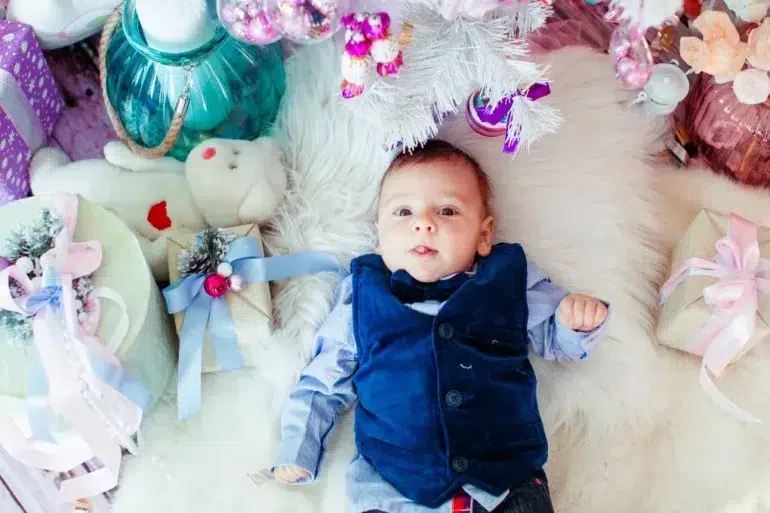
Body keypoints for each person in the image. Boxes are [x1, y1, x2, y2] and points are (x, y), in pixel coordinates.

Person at [271, 140, 609, 513]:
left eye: (447, 211)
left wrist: (572, 323)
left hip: (505, 485)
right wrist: (297, 448)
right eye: (403, 212)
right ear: (378, 234)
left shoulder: (510, 280)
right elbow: (321, 381)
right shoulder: (363, 297)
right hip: (393, 489)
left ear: (483, 235)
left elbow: (554, 341)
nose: (424, 223)